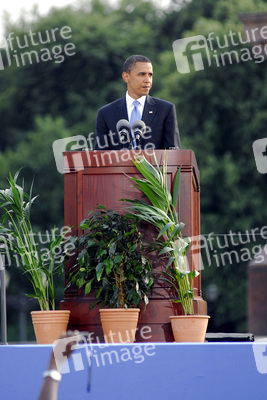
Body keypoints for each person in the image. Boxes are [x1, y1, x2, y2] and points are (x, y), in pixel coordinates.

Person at [94, 54, 181, 150]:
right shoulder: (106, 113)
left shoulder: (165, 110)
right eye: (142, 74)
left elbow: (174, 152)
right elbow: (100, 156)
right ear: (126, 77)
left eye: (150, 75)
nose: (148, 80)